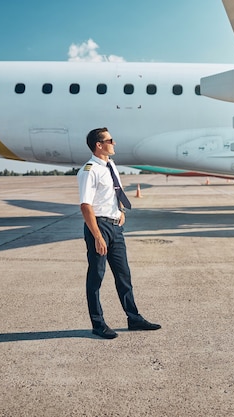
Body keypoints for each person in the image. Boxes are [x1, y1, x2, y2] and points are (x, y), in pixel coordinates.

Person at [77, 127, 161, 339]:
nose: (114, 143)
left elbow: (115, 192)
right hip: (99, 227)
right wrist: (97, 236)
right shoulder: (89, 170)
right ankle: (98, 324)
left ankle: (133, 318)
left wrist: (121, 211)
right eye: (110, 140)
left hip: (116, 227)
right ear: (99, 145)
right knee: (96, 277)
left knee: (124, 276)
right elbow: (86, 206)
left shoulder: (110, 165)